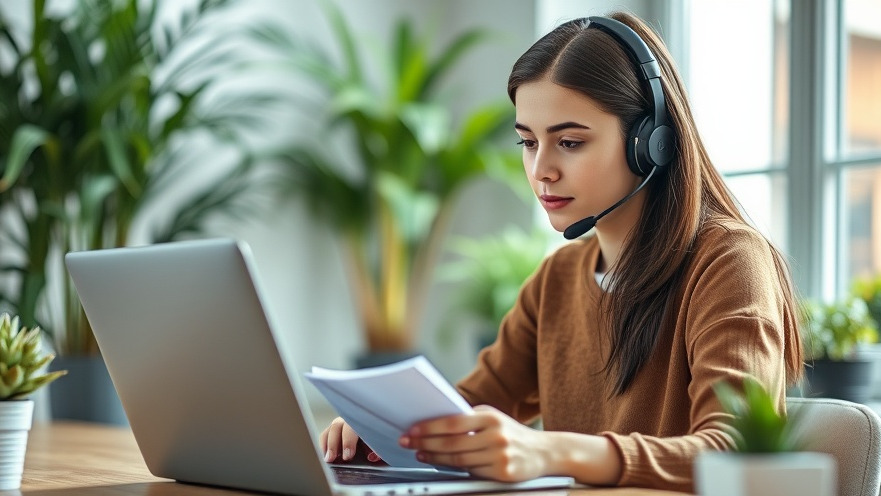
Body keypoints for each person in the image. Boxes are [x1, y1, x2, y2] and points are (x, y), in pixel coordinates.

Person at [320, 11, 803, 493]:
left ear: (650, 143)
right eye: (528, 142)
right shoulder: (559, 277)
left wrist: (551, 451)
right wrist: (386, 426)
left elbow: (738, 453)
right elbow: (469, 406)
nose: (541, 170)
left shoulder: (730, 262)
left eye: (569, 142)